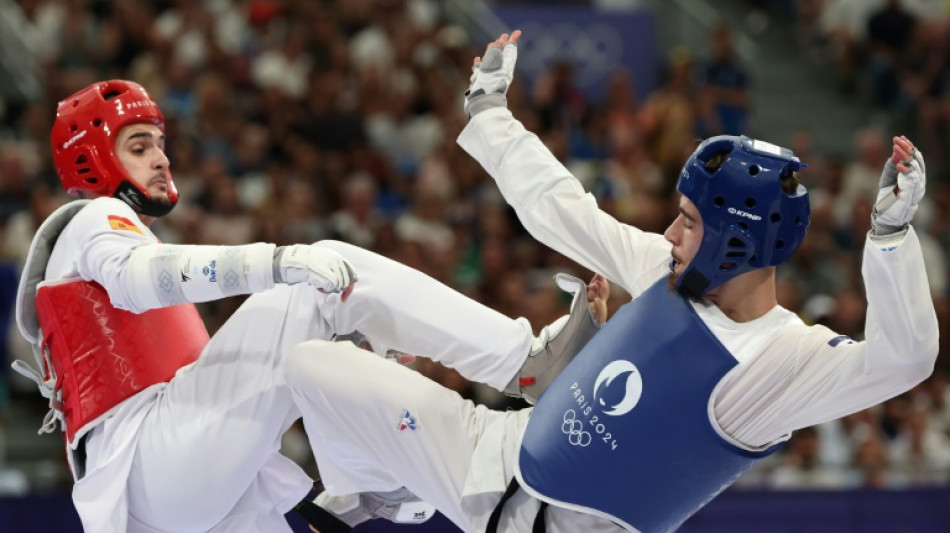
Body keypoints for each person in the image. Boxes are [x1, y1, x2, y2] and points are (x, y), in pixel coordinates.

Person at [287, 31, 939, 533]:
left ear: (736, 238)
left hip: (543, 522)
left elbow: (901, 359)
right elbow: (562, 209)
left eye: (688, 222)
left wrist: (889, 239)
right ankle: (375, 493)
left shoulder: (776, 365)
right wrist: (488, 111)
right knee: (313, 365)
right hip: (491, 451)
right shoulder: (665, 269)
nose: (670, 234)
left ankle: (384, 489)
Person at [13, 79, 604, 533]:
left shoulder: (107, 240)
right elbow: (143, 279)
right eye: (139, 146)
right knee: (319, 280)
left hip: (164, 500)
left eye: (161, 144)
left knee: (318, 359)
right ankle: (523, 362)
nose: (162, 158)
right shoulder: (93, 220)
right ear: (93, 160)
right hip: (151, 460)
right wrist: (274, 260)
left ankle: (364, 487)